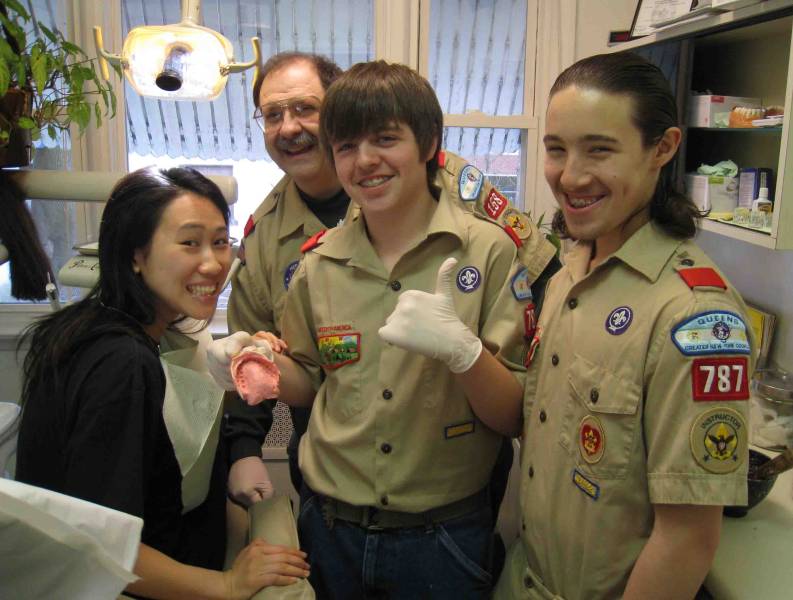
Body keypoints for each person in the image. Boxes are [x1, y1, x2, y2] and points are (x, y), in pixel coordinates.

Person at [211, 61, 534, 598]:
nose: (364, 161)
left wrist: (465, 354)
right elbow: (310, 380)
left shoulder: (488, 252)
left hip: (443, 535)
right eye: (346, 147)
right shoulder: (318, 263)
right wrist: (257, 365)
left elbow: (513, 416)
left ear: (428, 143)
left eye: (385, 139)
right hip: (331, 526)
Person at [494, 52, 756, 600]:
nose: (570, 176)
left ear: (662, 148)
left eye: (600, 149)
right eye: (556, 149)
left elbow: (687, 539)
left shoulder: (694, 318)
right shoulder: (571, 272)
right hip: (524, 577)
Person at [15, 167, 310, 600]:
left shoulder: (134, 328)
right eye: (189, 243)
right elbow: (100, 544)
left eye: (220, 242)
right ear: (136, 254)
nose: (213, 264)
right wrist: (227, 584)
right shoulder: (119, 363)